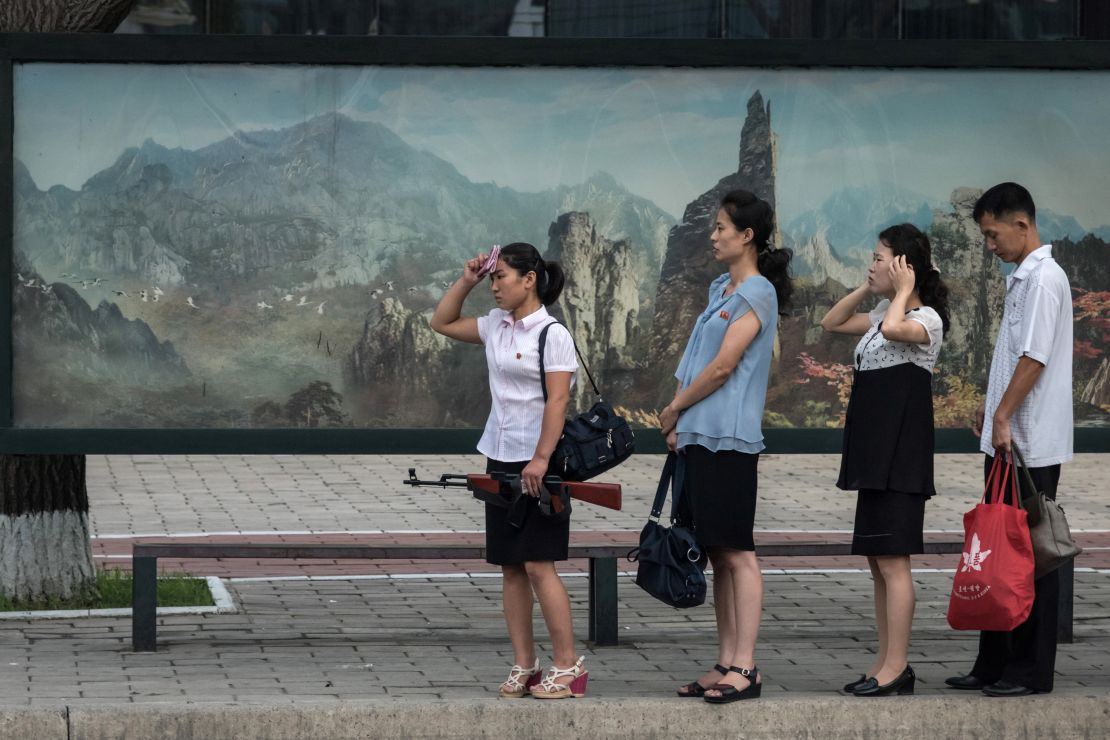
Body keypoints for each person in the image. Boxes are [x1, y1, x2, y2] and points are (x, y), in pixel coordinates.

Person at [430, 242, 588, 700]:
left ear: (529, 279)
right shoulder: (497, 325)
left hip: (539, 459)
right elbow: (440, 322)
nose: (494, 285)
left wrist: (540, 459)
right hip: (499, 455)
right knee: (510, 566)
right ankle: (525, 664)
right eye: (492, 277)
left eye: (501, 276)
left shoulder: (551, 333)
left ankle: (568, 666)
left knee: (540, 563)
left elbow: (558, 401)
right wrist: (468, 279)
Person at [659, 189, 793, 704]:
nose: (712, 236)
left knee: (738, 552)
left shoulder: (758, 293)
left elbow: (723, 366)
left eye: (720, 228)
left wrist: (674, 410)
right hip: (697, 436)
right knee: (714, 551)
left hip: (730, 440)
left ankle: (746, 666)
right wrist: (677, 418)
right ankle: (724, 660)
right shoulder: (721, 288)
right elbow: (694, 362)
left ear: (747, 236)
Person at [946, 182, 1073, 697]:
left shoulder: (1044, 279)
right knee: (995, 550)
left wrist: (1002, 414)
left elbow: (1035, 357)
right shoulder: (1023, 278)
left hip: (1029, 442)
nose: (990, 245)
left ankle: (1030, 670)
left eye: (993, 234)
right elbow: (1016, 355)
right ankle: (993, 661)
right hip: (1007, 438)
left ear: (1021, 224)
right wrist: (992, 407)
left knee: (1028, 554)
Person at [820, 223, 950, 697]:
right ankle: (884, 662)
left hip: (901, 453)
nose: (871, 264)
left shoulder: (927, 320)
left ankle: (898, 667)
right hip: (874, 452)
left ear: (903, 265)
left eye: (880, 259)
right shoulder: (881, 312)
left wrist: (904, 289)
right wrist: (871, 286)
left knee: (895, 563)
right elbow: (831, 323)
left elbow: (898, 329)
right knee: (878, 560)